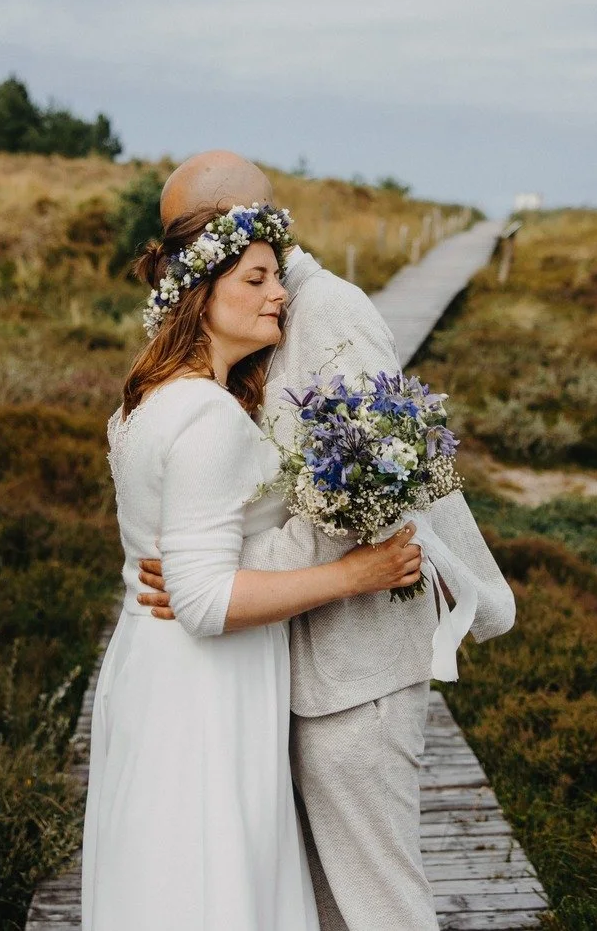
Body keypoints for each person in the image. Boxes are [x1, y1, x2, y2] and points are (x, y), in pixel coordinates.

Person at [137, 152, 517, 931]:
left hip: (357, 673)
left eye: (183, 234)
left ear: (231, 226)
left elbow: (370, 493)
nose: (173, 253)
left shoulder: (328, 312)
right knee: (322, 907)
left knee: (380, 905)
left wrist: (221, 578)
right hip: (289, 666)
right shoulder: (263, 317)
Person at [82, 201, 424, 931]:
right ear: (203, 295)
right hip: (206, 687)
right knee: (213, 888)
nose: (281, 294)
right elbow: (204, 601)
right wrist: (358, 572)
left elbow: (182, 564)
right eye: (259, 277)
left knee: (165, 883)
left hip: (152, 670)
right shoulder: (206, 417)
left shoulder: (142, 402)